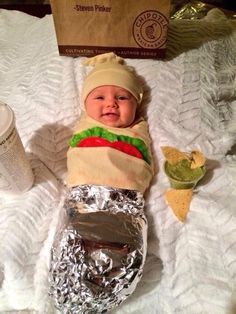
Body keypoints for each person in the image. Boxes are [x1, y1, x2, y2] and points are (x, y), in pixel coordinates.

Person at [48, 52, 154, 313]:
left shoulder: (137, 128)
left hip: (124, 201)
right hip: (85, 198)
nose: (111, 104)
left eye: (122, 97)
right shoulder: (87, 123)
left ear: (136, 106)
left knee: (122, 251)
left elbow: (143, 165)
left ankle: (100, 292)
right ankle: (72, 294)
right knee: (75, 240)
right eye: (99, 97)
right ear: (85, 104)